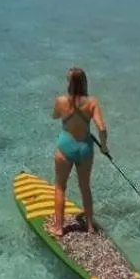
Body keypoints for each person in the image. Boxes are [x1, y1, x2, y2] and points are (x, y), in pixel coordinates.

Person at [50, 66, 108, 237]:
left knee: (60, 187)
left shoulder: (60, 101)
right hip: (85, 148)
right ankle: (90, 226)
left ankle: (59, 228)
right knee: (85, 187)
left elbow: (55, 116)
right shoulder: (92, 102)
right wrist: (104, 146)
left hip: (66, 146)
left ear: (69, 83)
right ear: (84, 82)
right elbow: (102, 128)